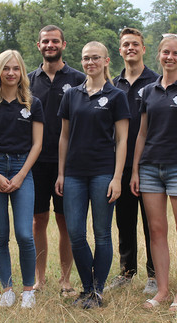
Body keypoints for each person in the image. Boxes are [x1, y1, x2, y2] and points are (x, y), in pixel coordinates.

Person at [130, 33, 177, 311]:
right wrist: (136, 170)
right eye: (165, 53)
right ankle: (162, 290)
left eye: (175, 53)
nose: (170, 57)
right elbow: (142, 134)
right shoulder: (148, 91)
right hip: (150, 168)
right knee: (156, 230)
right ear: (158, 55)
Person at [55, 41, 130, 309]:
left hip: (102, 173)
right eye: (86, 58)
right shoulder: (71, 94)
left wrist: (117, 177)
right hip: (74, 173)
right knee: (75, 232)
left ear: (107, 60)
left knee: (101, 234)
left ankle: (97, 291)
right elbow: (64, 137)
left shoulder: (116, 96)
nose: (90, 63)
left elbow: (122, 140)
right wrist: (61, 173)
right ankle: (86, 287)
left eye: (95, 58)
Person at [0, 49, 44, 308]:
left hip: (21, 169)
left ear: (22, 72)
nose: (11, 73)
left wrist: (21, 174)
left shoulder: (32, 104)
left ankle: (28, 290)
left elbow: (37, 144)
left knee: (25, 234)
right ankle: (7, 289)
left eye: (15, 68)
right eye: (6, 68)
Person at [28, 25, 85, 295]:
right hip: (36, 163)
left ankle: (66, 279)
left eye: (55, 41)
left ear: (64, 44)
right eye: (45, 41)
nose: (50, 45)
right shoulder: (27, 81)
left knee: (66, 222)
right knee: (38, 221)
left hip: (69, 164)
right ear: (38, 45)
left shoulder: (79, 79)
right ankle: (40, 279)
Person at [106, 27, 159, 294]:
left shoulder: (156, 81)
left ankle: (154, 275)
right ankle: (127, 272)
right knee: (124, 220)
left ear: (143, 49)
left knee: (152, 222)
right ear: (120, 50)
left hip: (150, 162)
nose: (130, 48)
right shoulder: (113, 85)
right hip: (120, 165)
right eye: (126, 44)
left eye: (135, 44)